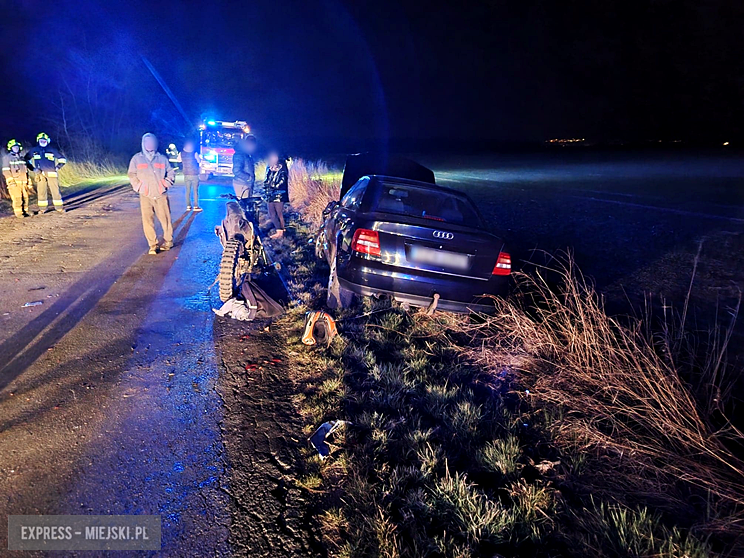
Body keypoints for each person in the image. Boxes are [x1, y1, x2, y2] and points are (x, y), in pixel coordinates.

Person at [127, 133, 175, 255]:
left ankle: (168, 241)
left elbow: (170, 172)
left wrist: (165, 184)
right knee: (147, 221)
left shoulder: (162, 158)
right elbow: (132, 174)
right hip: (145, 195)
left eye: (152, 142)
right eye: (147, 142)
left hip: (160, 195)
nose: (150, 145)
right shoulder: (136, 159)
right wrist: (139, 187)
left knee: (165, 219)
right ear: (143, 144)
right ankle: (153, 245)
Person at [26, 132, 66, 213]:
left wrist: (58, 166)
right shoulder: (34, 150)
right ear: (38, 140)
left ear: (47, 141)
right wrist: (33, 169)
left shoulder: (52, 150)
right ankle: (42, 209)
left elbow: (63, 159)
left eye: (44, 140)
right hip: (40, 174)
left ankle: (59, 208)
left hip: (51, 173)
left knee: (55, 191)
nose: (43, 141)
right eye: (41, 140)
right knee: (41, 192)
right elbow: (26, 160)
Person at [1, 139, 31, 218]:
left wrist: (28, 181)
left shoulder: (22, 158)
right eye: (14, 147)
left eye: (17, 147)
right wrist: (11, 181)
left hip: (23, 182)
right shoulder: (7, 158)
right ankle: (19, 213)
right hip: (14, 182)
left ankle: (26, 211)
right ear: (11, 148)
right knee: (17, 198)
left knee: (25, 197)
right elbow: (6, 171)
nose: (16, 148)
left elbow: (26, 171)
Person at [264, 151, 289, 239]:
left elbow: (283, 180)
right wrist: (266, 186)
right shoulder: (270, 166)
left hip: (279, 194)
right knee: (272, 213)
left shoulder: (282, 166)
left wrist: (273, 187)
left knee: (278, 213)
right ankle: (280, 230)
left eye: (274, 156)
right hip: (270, 193)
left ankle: (280, 231)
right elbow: (266, 179)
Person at [179, 139, 202, 211]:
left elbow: (179, 160)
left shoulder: (181, 153)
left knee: (187, 191)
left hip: (186, 174)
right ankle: (195, 206)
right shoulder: (194, 153)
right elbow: (199, 161)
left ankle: (188, 206)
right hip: (194, 174)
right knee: (195, 191)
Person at [232, 134, 256, 200]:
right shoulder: (240, 155)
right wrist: (249, 178)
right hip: (242, 184)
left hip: (246, 184)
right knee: (243, 206)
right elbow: (236, 171)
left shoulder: (247, 154)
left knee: (246, 204)